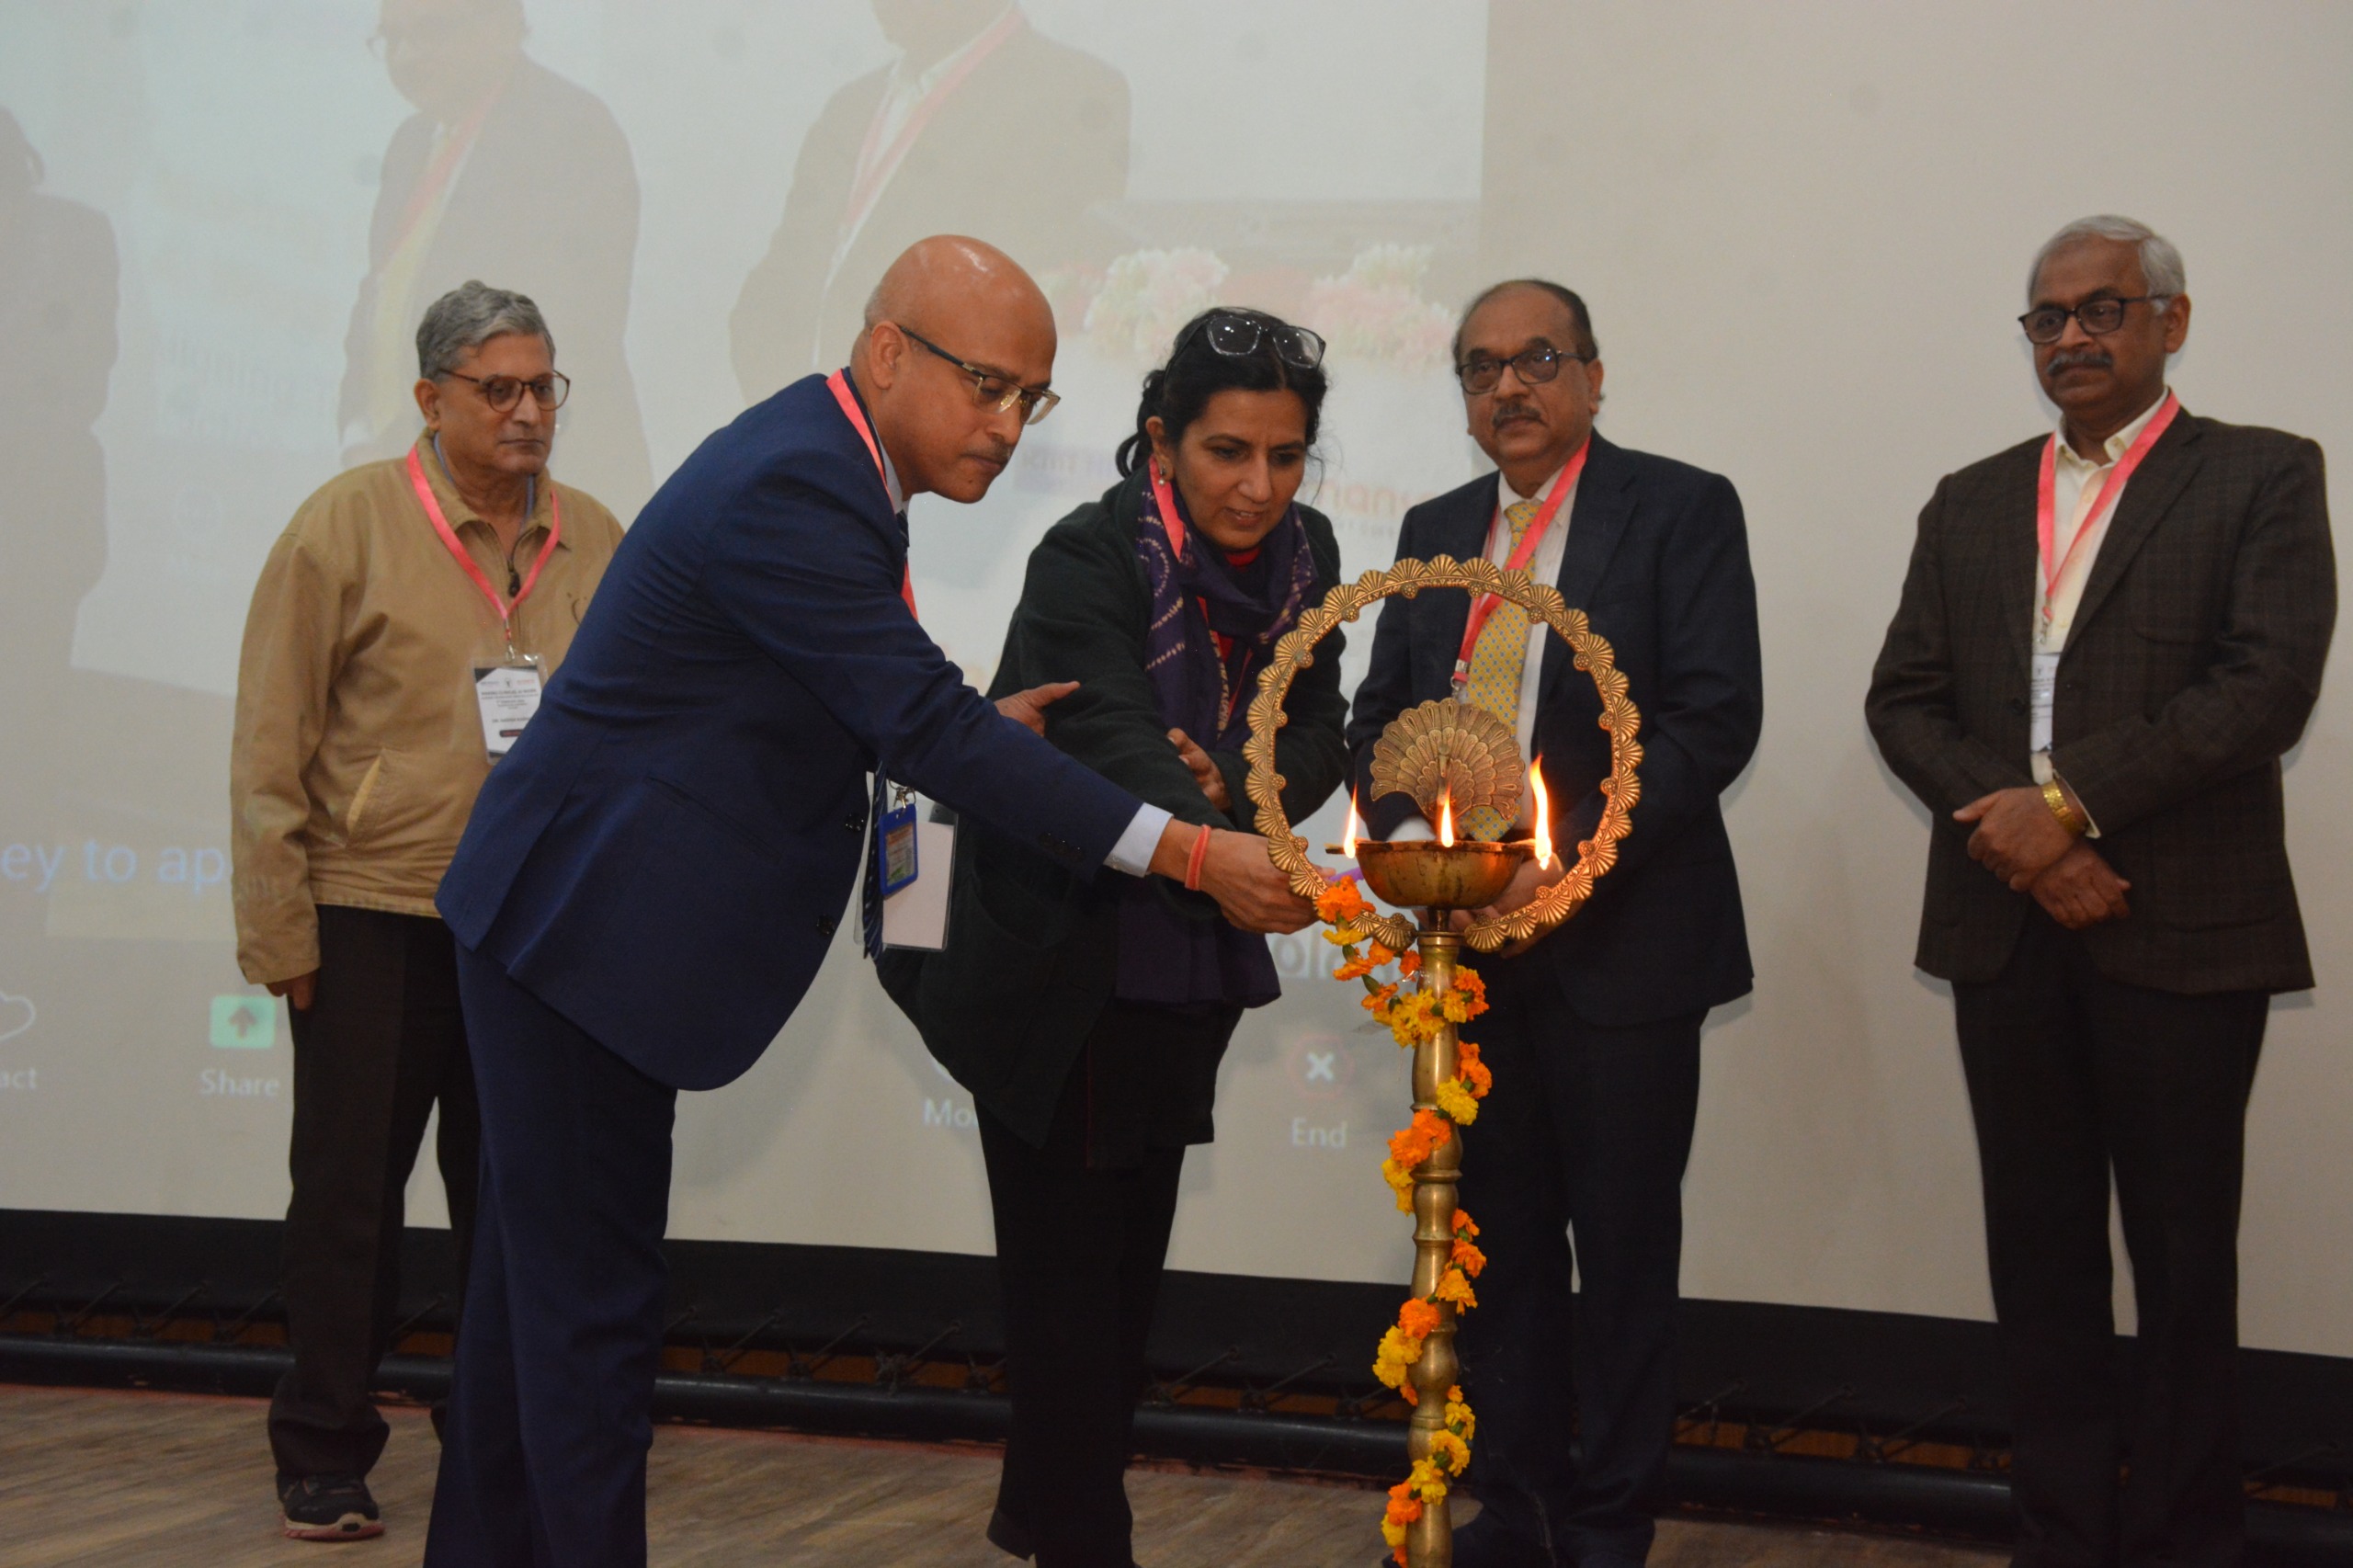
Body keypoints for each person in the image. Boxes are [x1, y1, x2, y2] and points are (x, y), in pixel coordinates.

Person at [421, 237, 1313, 1568]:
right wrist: (1186, 852)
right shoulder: (798, 480)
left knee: (526, 1317)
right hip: (582, 930)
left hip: (579, 923)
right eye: (985, 385)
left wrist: (966, 734)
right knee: (585, 1319)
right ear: (889, 352)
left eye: (1030, 399)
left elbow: (847, 694)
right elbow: (921, 721)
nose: (1004, 425)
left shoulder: (836, 465)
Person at [1866, 216, 2335, 1568]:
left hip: (2181, 925)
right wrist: (2026, 842)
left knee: (2183, 1267)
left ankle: (2189, 1541)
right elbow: (1904, 699)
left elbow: (2264, 686)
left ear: (2170, 322)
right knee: (2040, 1258)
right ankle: (2060, 1534)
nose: (2070, 336)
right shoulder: (1969, 497)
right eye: (2047, 316)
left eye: (2101, 309)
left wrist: (2064, 805)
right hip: (2006, 930)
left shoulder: (2259, 474)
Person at [881, 308, 1347, 1567]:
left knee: (1121, 1279)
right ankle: (1089, 1538)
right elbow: (1105, 737)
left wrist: (1236, 784)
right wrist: (1210, 834)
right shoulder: (1087, 555)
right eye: (1227, 451)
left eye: (1286, 455)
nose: (1260, 486)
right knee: (1067, 1287)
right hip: (1059, 959)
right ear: (1162, 439)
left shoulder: (1311, 558)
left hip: (1183, 965)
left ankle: (1043, 1515)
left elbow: (1317, 727)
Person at [1347, 280, 1762, 1567]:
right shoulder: (1434, 530)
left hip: (1621, 948)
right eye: (1480, 368)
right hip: (1467, 954)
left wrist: (1560, 864)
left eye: (1535, 359)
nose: (1508, 387)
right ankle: (1515, 1505)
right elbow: (1379, 723)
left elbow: (1710, 721)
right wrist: (1415, 847)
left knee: (1624, 1256)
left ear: (1591, 373)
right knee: (1500, 1247)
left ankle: (1610, 1523)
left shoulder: (1679, 508)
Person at [230, 281, 626, 1541]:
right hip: (374, 909)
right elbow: (269, 741)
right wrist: (280, 929)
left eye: (543, 387)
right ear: (429, 397)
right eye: (498, 389)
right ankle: (324, 1445)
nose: (528, 413)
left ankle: (492, 1430)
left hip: (531, 927)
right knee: (348, 1199)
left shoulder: (596, 535)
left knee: (513, 1199)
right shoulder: (344, 524)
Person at [342, 0, 651, 519]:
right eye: (392, 39)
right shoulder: (411, 142)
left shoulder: (570, 128)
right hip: (412, 476)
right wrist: (360, 435)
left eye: (428, 32)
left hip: (531, 490)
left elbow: (578, 328)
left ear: (501, 24)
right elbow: (383, 294)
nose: (407, 56)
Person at [729, 0, 1129, 400]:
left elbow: (1019, 306)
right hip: (806, 416)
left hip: (932, 421)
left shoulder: (1071, 93)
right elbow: (782, 275)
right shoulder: (852, 105)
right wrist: (786, 409)